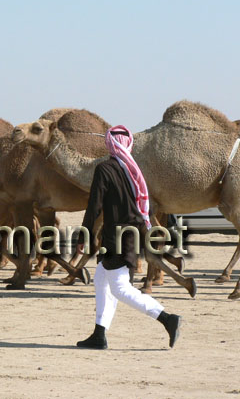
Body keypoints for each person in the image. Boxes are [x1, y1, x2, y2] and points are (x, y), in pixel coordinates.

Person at [76, 125, 182, 350]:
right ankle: (99, 334)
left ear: (109, 144)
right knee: (101, 279)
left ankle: (167, 318)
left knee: (120, 288)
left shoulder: (105, 169)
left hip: (118, 238)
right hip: (130, 234)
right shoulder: (134, 170)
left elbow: (94, 205)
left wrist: (84, 234)